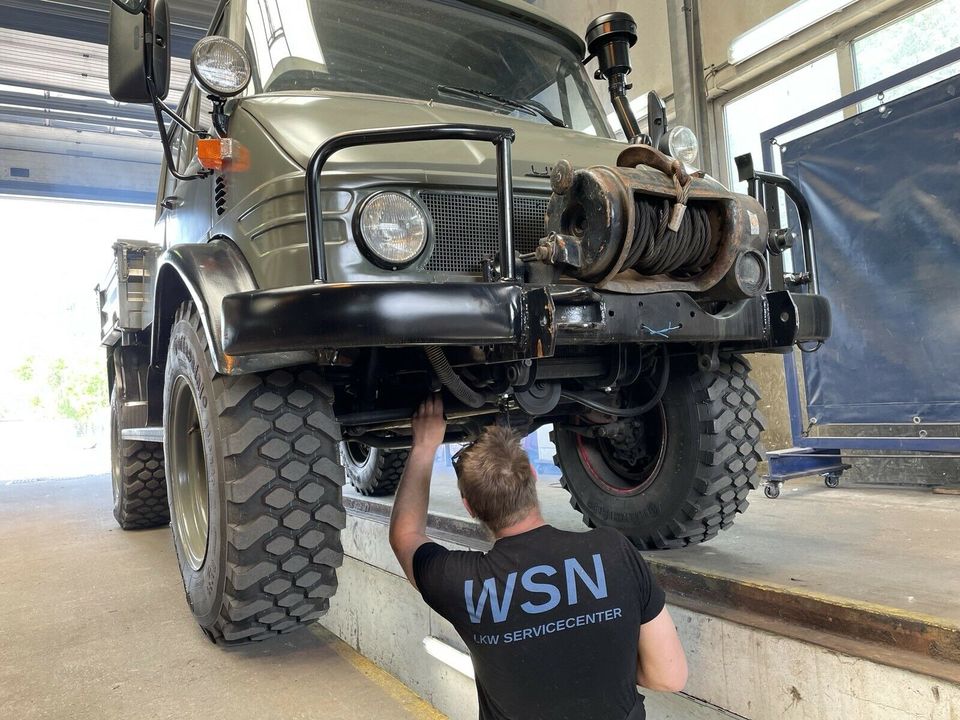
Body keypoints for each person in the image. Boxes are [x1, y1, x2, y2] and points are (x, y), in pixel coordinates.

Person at [389, 393, 688, 720]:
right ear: (532, 474)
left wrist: (423, 446)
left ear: (469, 507)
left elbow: (405, 536)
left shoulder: (463, 582)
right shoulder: (613, 551)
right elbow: (668, 676)